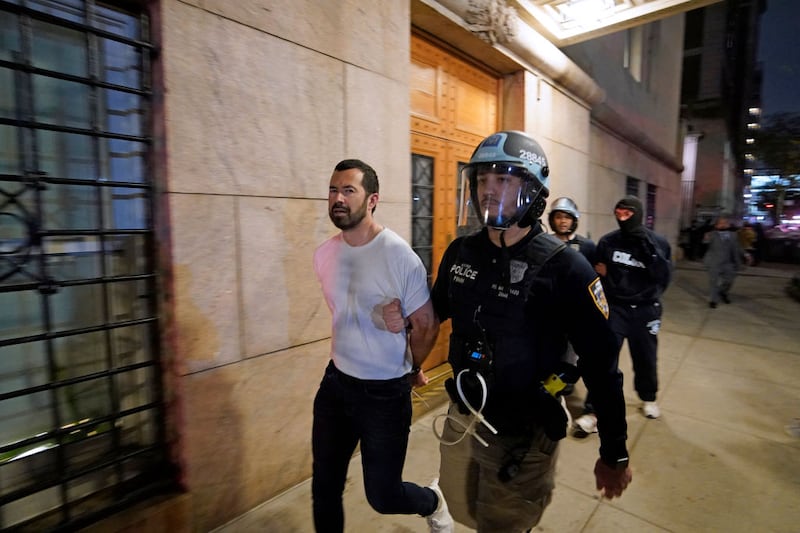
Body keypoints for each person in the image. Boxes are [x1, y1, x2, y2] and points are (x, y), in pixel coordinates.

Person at [386, 131, 632, 531]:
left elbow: (603, 366)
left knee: (504, 523)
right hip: (464, 416)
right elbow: (433, 315)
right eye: (482, 180)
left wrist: (614, 453)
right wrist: (403, 336)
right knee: (461, 505)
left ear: (533, 192)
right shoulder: (461, 251)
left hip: (523, 433)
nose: (488, 190)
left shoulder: (567, 269)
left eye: (504, 180)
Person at [311, 159, 454, 533]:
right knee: (324, 485)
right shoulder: (324, 254)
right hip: (336, 385)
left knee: (383, 495)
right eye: (332, 190)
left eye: (348, 190)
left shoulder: (398, 256)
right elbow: (342, 314)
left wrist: (410, 365)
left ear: (372, 199)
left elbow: (426, 324)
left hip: (384, 395)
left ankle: (433, 501)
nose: (337, 198)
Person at [574, 195, 672, 432]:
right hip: (616, 308)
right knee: (604, 358)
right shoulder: (609, 241)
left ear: (637, 214)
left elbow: (663, 276)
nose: (623, 219)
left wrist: (647, 249)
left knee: (645, 357)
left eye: (628, 214)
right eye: (619, 214)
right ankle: (594, 411)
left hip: (646, 310)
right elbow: (598, 272)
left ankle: (648, 397)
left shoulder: (657, 242)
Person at [547, 197, 596, 397]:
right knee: (549, 347)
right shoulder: (545, 242)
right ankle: (548, 382)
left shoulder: (586, 246)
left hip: (576, 309)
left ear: (574, 220)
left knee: (571, 353)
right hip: (549, 307)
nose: (563, 221)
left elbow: (594, 278)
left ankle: (563, 383)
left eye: (567, 217)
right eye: (558, 217)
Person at [703, 213, 743, 308]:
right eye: (721, 223)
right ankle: (713, 300)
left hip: (728, 262)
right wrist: (706, 239)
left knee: (729, 280)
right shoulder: (711, 234)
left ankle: (723, 292)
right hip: (714, 261)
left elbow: (737, 247)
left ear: (729, 225)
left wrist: (745, 254)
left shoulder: (733, 235)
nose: (723, 225)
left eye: (725, 223)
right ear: (717, 225)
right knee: (714, 282)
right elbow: (705, 242)